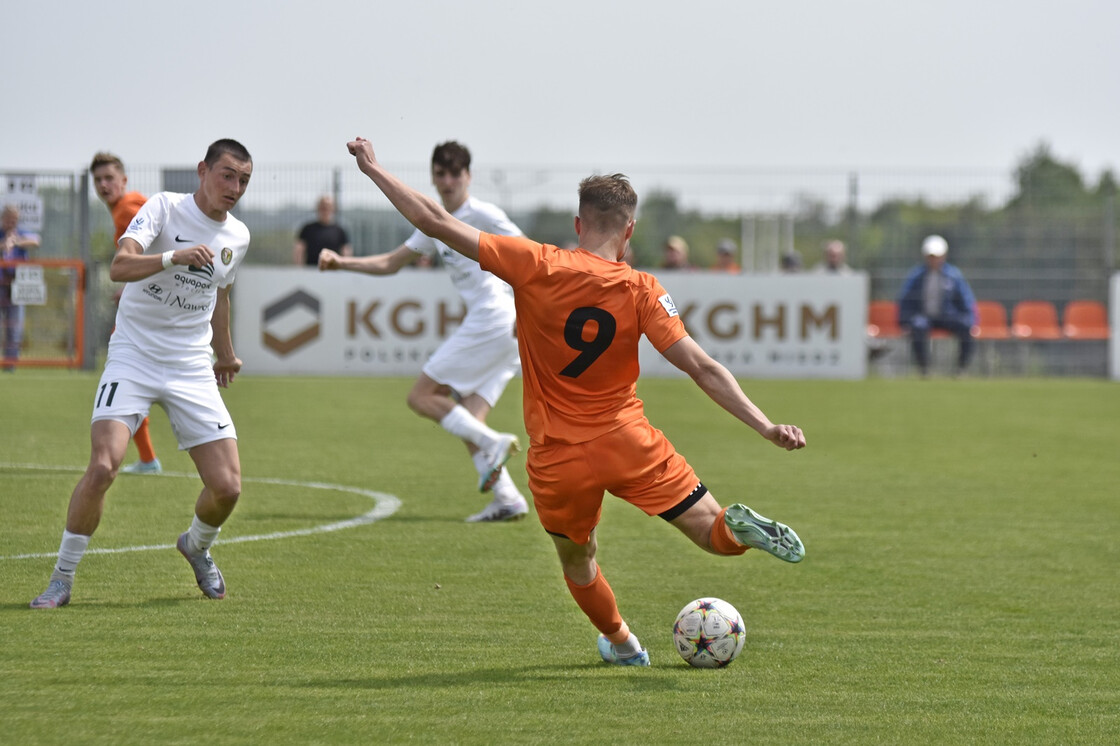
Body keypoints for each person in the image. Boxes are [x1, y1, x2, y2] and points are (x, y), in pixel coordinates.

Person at [345, 136, 806, 666]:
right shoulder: (642, 289)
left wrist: (375, 169)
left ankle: (622, 642)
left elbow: (434, 221)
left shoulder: (534, 262)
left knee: (578, 558)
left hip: (558, 456)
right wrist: (766, 426)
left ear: (578, 223)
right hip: (627, 440)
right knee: (712, 532)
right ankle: (738, 528)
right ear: (629, 230)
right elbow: (702, 367)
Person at [30, 139, 254, 609]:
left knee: (228, 487)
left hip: (191, 366)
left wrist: (225, 354)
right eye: (227, 175)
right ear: (203, 171)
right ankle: (62, 578)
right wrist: (174, 256)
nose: (234, 188)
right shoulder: (163, 208)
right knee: (104, 465)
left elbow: (221, 295)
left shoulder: (238, 236)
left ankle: (196, 546)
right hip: (134, 356)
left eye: (244, 180)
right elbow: (118, 266)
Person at [319, 141, 527, 523]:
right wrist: (340, 263)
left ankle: (493, 443)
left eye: (455, 174)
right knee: (466, 416)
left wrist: (527, 309)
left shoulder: (484, 214)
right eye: (440, 173)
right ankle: (508, 498)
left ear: (469, 176)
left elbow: (529, 256)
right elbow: (390, 263)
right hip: (501, 329)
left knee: (421, 396)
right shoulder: (434, 220)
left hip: (497, 318)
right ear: (432, 176)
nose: (447, 181)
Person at [90, 152, 162, 474]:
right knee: (130, 377)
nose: (104, 185)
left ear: (124, 181)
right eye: (98, 180)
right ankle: (147, 459)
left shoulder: (127, 210)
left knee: (126, 374)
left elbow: (154, 254)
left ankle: (148, 459)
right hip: (155, 303)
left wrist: (133, 283)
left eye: (109, 178)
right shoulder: (129, 206)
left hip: (157, 310)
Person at [897, 234, 977, 376]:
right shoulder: (916, 276)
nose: (934, 260)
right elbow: (905, 300)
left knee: (966, 328)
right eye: (931, 256)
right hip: (924, 317)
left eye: (936, 256)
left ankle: (961, 369)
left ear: (944, 256)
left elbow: (966, 299)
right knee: (918, 327)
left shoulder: (954, 276)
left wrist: (970, 320)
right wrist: (905, 321)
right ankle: (924, 369)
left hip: (948, 316)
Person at [0, 204, 39, 371]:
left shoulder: (20, 233)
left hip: (16, 287)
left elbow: (36, 241)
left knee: (15, 327)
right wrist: (4, 244)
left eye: (14, 219)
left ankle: (10, 364)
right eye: (9, 219)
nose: (12, 222)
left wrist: (16, 242)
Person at [294, 195, 352, 266]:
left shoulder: (339, 230)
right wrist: (299, 269)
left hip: (334, 270)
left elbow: (346, 251)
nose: (325, 210)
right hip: (311, 270)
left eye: (328, 207)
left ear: (333, 209)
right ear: (318, 208)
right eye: (323, 207)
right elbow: (299, 250)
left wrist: (344, 267)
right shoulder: (307, 228)